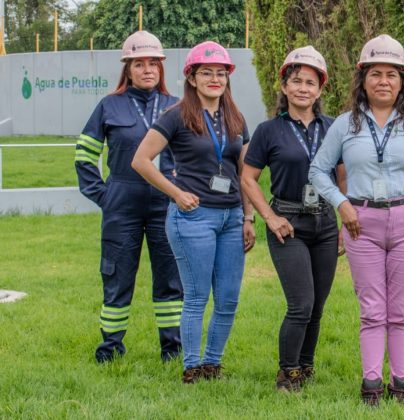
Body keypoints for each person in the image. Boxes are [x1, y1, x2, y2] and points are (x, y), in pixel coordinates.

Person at [308, 34, 404, 406]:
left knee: (401, 309)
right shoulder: (345, 125)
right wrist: (341, 203)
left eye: (392, 74)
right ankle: (371, 384)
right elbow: (317, 170)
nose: (384, 81)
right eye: (375, 74)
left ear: (402, 81)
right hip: (360, 222)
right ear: (362, 79)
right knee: (371, 309)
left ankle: (401, 383)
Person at [132, 41, 254, 383]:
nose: (214, 79)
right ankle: (191, 366)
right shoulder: (175, 115)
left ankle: (213, 364)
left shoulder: (236, 117)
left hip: (231, 218)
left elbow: (244, 173)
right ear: (192, 77)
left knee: (228, 298)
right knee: (197, 296)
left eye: (220, 73)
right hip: (193, 218)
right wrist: (176, 193)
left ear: (228, 78)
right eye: (206, 73)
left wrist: (248, 217)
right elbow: (140, 161)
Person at [241, 46, 345, 393]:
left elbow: (343, 177)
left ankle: (306, 366)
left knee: (317, 306)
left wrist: (344, 224)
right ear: (284, 87)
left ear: (320, 89)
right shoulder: (269, 130)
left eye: (310, 82)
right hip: (287, 223)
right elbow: (247, 178)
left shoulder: (333, 128)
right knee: (300, 304)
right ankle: (287, 374)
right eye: (296, 81)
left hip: (326, 224)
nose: (303, 88)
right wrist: (269, 217)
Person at [75, 30, 183, 364]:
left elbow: (193, 156)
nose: (148, 69)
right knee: (117, 276)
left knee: (170, 277)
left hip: (166, 204)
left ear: (161, 68)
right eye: (140, 64)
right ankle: (110, 350)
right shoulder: (108, 106)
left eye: (154, 63)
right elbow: (84, 156)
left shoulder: (176, 106)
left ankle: (172, 348)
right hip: (121, 203)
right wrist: (104, 196)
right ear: (128, 68)